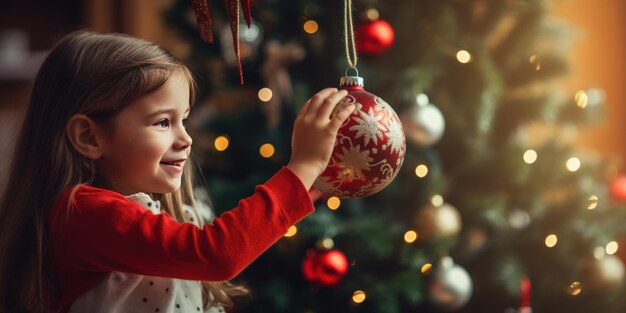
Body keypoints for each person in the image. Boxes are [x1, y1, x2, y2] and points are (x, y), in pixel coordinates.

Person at [0, 30, 355, 313]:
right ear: (88, 136)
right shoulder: (81, 213)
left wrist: (313, 184)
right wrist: (303, 166)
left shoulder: (164, 215)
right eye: (162, 122)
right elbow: (217, 254)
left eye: (183, 119)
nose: (185, 138)